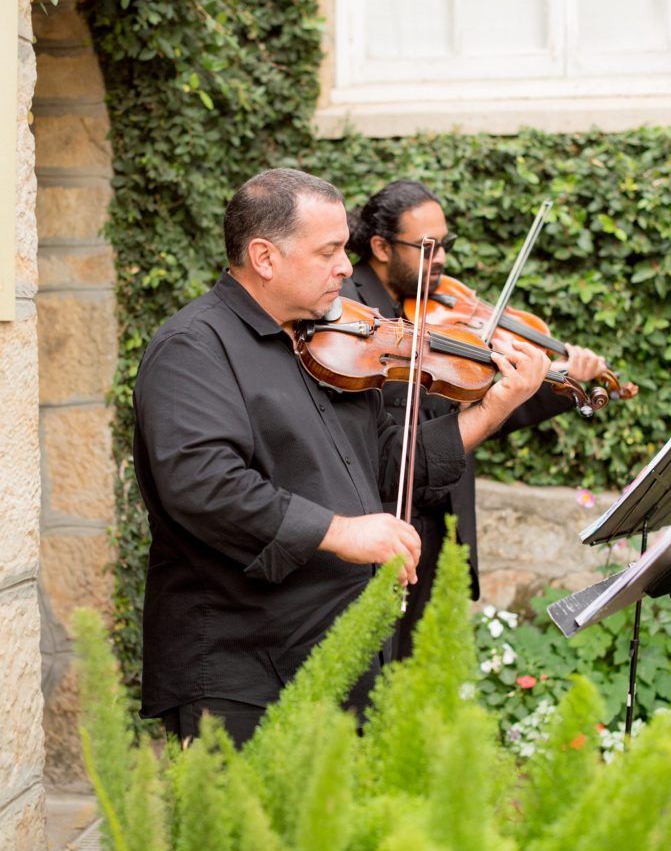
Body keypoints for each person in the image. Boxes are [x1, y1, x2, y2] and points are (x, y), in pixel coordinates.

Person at [133, 168, 552, 746]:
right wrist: (341, 532)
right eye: (329, 251)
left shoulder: (324, 339)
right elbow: (204, 484)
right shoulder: (193, 348)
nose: (347, 268)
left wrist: (496, 405)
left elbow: (386, 459)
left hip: (338, 649)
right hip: (244, 669)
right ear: (264, 256)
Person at [343, 179, 608, 659]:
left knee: (413, 671)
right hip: (378, 516)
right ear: (380, 247)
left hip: (440, 517)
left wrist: (561, 379)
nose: (441, 258)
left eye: (446, 244)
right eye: (428, 247)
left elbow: (480, 409)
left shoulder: (440, 309)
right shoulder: (348, 305)